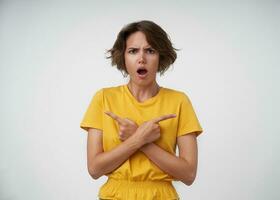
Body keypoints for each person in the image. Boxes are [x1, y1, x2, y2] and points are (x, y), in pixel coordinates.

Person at [80, 20, 203, 200]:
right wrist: (138, 138)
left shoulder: (179, 101)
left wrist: (141, 140)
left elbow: (188, 174)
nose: (141, 58)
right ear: (123, 57)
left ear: (161, 56)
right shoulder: (104, 98)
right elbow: (95, 169)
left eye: (150, 51)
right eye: (133, 51)